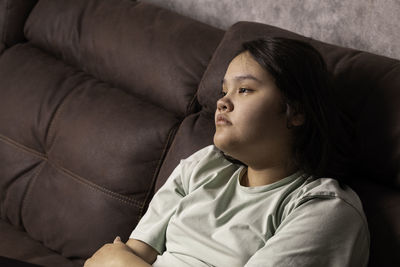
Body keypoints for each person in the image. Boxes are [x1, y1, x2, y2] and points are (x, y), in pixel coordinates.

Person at [84, 37, 370, 267]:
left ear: (296, 111)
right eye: (224, 90)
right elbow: (134, 250)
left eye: (244, 89)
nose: (222, 102)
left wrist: (117, 261)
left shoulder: (325, 207)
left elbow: (116, 259)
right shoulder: (203, 165)